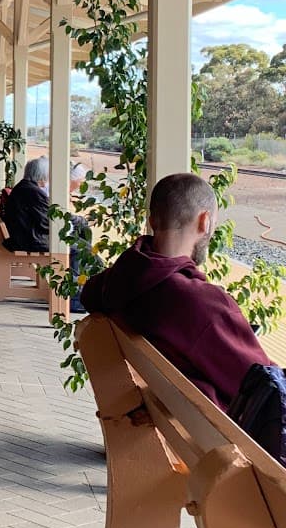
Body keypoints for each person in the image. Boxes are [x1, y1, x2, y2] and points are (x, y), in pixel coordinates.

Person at [80, 171, 269, 413]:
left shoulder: (113, 283)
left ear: (152, 220)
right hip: (206, 431)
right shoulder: (203, 305)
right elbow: (266, 387)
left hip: (169, 415)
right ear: (205, 222)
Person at [3, 155, 50, 253]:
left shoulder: (23, 187)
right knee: (77, 249)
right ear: (42, 175)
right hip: (30, 241)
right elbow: (47, 222)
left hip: (22, 237)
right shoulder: (33, 192)